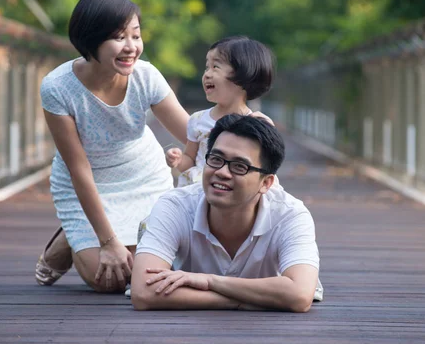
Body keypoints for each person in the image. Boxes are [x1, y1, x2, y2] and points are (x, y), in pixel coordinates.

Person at [34, 0, 189, 293]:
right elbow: (79, 169)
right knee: (107, 280)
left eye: (136, 35)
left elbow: (192, 132)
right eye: (119, 37)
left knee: (150, 269)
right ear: (91, 38)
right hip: (86, 181)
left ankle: (79, 235)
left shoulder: (146, 77)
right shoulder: (57, 87)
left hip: (142, 175)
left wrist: (243, 122)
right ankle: (75, 232)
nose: (131, 47)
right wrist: (108, 243)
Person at [131, 115, 323, 312]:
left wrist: (209, 281)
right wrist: (236, 301)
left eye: (240, 166)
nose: (222, 172)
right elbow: (143, 292)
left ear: (266, 183)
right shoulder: (175, 206)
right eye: (216, 159)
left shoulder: (290, 215)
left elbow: (299, 295)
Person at [165, 36, 274, 187]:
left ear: (243, 74)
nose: (207, 74)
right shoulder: (197, 120)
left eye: (215, 67)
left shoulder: (256, 124)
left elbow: (263, 168)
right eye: (206, 67)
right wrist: (178, 160)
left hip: (232, 192)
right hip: (197, 192)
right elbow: (190, 159)